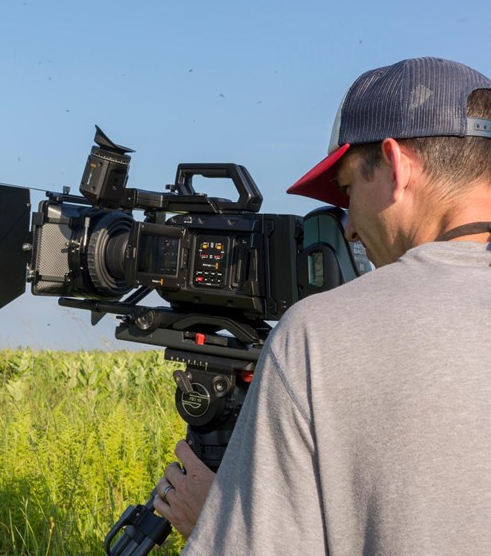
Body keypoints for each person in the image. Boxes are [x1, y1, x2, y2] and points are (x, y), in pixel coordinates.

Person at [152, 56, 491, 554]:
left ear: (396, 165)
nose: (349, 226)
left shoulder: (319, 335)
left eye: (348, 189)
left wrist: (217, 520)